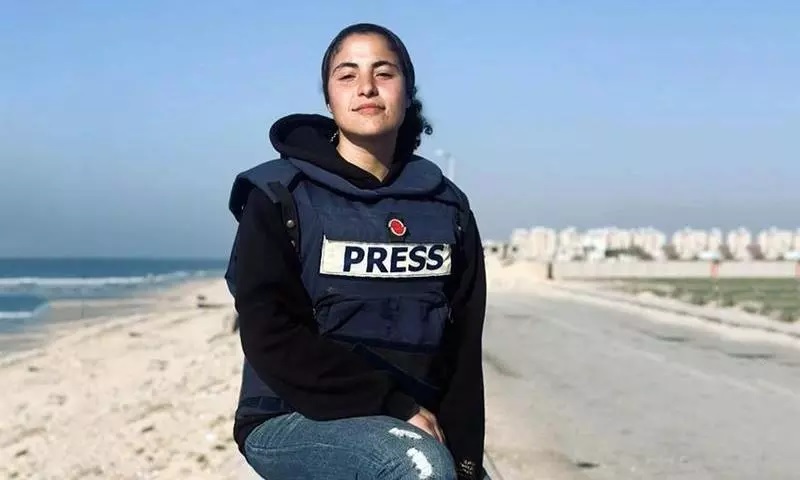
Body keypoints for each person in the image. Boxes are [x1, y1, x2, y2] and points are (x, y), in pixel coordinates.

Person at [224, 22, 489, 480]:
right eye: (347, 75)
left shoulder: (449, 207)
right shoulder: (278, 195)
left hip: (414, 421)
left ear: (408, 92)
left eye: (384, 73)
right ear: (329, 99)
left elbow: (462, 352)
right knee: (417, 466)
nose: (366, 87)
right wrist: (393, 405)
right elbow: (270, 335)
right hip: (291, 417)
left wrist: (467, 462)